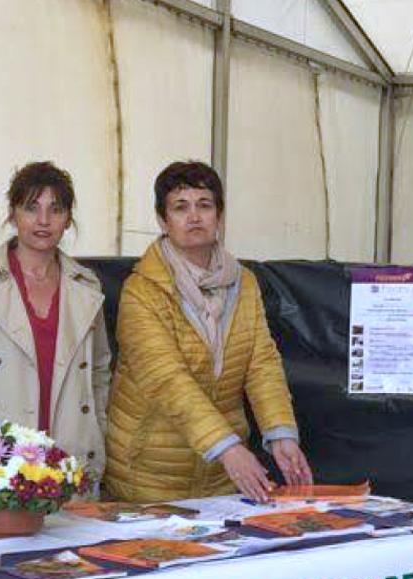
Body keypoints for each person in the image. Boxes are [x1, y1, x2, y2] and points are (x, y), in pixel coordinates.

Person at [104, 161, 312, 502]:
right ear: (162, 220)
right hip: (149, 472)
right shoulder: (141, 290)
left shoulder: (244, 282)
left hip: (223, 475)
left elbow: (261, 363)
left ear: (220, 215)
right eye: (180, 207)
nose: (194, 217)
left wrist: (281, 434)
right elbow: (167, 379)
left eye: (204, 205)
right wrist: (226, 447)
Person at [0, 162, 111, 486]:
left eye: (56, 209)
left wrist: (96, 431)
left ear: (68, 220)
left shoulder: (87, 286)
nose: (43, 220)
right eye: (31, 207)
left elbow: (99, 371)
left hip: (69, 455)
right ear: (12, 215)